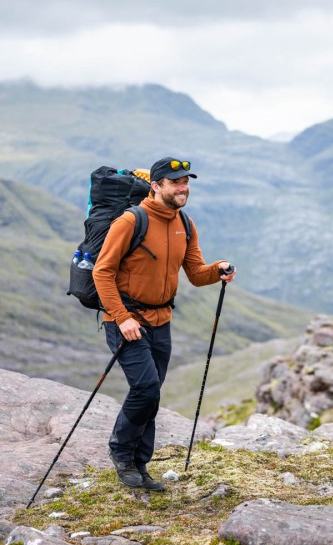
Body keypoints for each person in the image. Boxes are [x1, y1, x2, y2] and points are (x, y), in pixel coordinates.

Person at [92, 156, 236, 491]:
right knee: (144, 388)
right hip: (125, 321)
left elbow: (196, 274)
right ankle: (121, 454)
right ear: (156, 186)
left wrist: (219, 269)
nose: (183, 188)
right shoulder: (131, 221)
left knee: (152, 393)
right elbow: (103, 272)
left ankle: (141, 466)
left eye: (186, 182)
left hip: (161, 320)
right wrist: (123, 318)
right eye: (176, 183)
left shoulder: (184, 224)